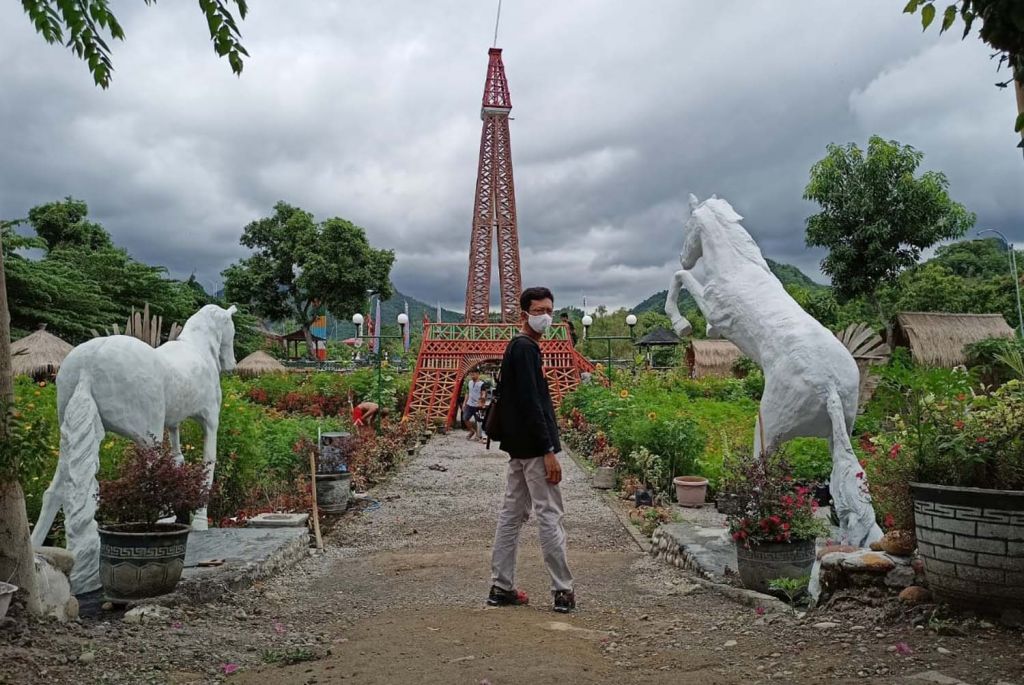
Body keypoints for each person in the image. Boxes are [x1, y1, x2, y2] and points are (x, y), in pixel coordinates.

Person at [487, 286, 575, 613]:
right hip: (535, 451)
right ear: (525, 314)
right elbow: (531, 403)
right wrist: (548, 449)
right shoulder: (525, 349)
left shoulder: (518, 347)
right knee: (549, 515)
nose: (546, 316)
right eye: (539, 311)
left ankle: (501, 586)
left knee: (511, 516)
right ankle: (563, 590)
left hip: (518, 450)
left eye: (549, 309)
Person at [463, 370, 485, 439]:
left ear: (478, 374)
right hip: (469, 404)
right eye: (471, 374)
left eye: (473, 374)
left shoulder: (482, 384)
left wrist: (482, 401)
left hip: (477, 406)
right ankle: (472, 431)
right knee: (465, 418)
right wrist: (464, 403)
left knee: (478, 421)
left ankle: (479, 436)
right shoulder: (469, 382)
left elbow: (483, 393)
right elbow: (467, 393)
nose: (472, 375)